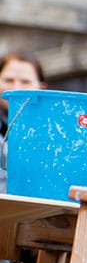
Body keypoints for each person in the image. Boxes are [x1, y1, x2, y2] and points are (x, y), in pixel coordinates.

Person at [0, 51, 46, 193]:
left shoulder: (50, 132)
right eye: (8, 80)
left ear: (41, 88)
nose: (16, 88)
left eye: (25, 82)